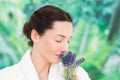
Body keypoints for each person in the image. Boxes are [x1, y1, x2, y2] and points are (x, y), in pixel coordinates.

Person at [0, 5, 91, 80]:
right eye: (58, 40)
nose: (66, 48)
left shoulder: (78, 75)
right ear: (35, 36)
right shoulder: (6, 77)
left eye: (68, 41)